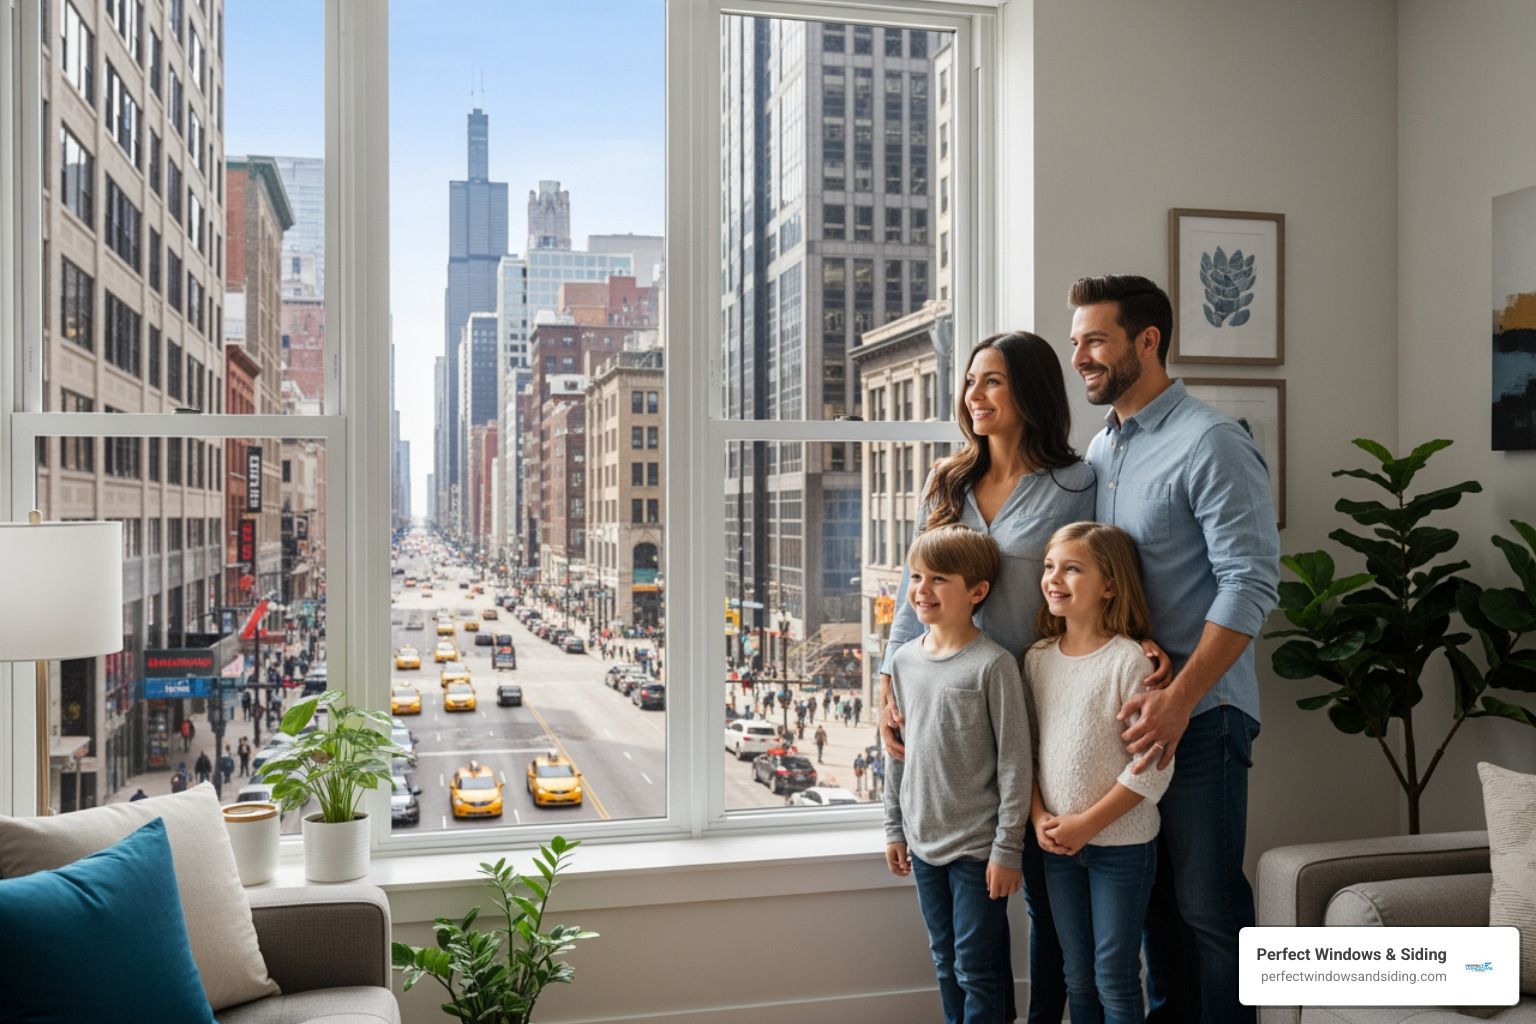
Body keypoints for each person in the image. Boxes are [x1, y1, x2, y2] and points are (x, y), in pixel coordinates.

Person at [880, 330, 1170, 1024]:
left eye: (993, 382)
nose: (974, 396)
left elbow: (1101, 563)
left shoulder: (1077, 481)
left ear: (1030, 392)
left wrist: (1141, 633)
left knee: (1046, 896)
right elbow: (910, 586)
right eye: (971, 382)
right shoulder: (946, 482)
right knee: (981, 919)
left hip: (1035, 695)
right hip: (947, 698)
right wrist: (887, 684)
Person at [1068, 275, 1280, 1024]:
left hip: (1204, 719)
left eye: (1095, 339)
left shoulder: (1212, 441)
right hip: (1134, 723)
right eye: (1075, 342)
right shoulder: (1102, 447)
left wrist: (1180, 696)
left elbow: (1250, 582)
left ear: (1147, 340)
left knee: (1209, 911)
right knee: (1154, 911)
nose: (1080, 356)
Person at [1026, 522, 1173, 1024]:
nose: (1054, 578)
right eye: (1049, 567)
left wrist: (1088, 824)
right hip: (1057, 847)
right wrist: (1040, 815)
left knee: (1114, 975)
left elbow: (1150, 770)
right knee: (1078, 977)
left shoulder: (1129, 660)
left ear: (1109, 585)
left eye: (1072, 568)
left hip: (1123, 848)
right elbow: (1024, 752)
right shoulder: (1036, 660)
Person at [884, 524, 1031, 1024]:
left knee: (976, 967)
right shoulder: (903, 661)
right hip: (923, 842)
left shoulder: (994, 665)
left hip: (977, 848)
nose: (921, 590)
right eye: (917, 576)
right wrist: (893, 828)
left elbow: (1015, 762)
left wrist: (1007, 848)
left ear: (977, 591)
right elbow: (896, 753)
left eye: (938, 579)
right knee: (946, 961)